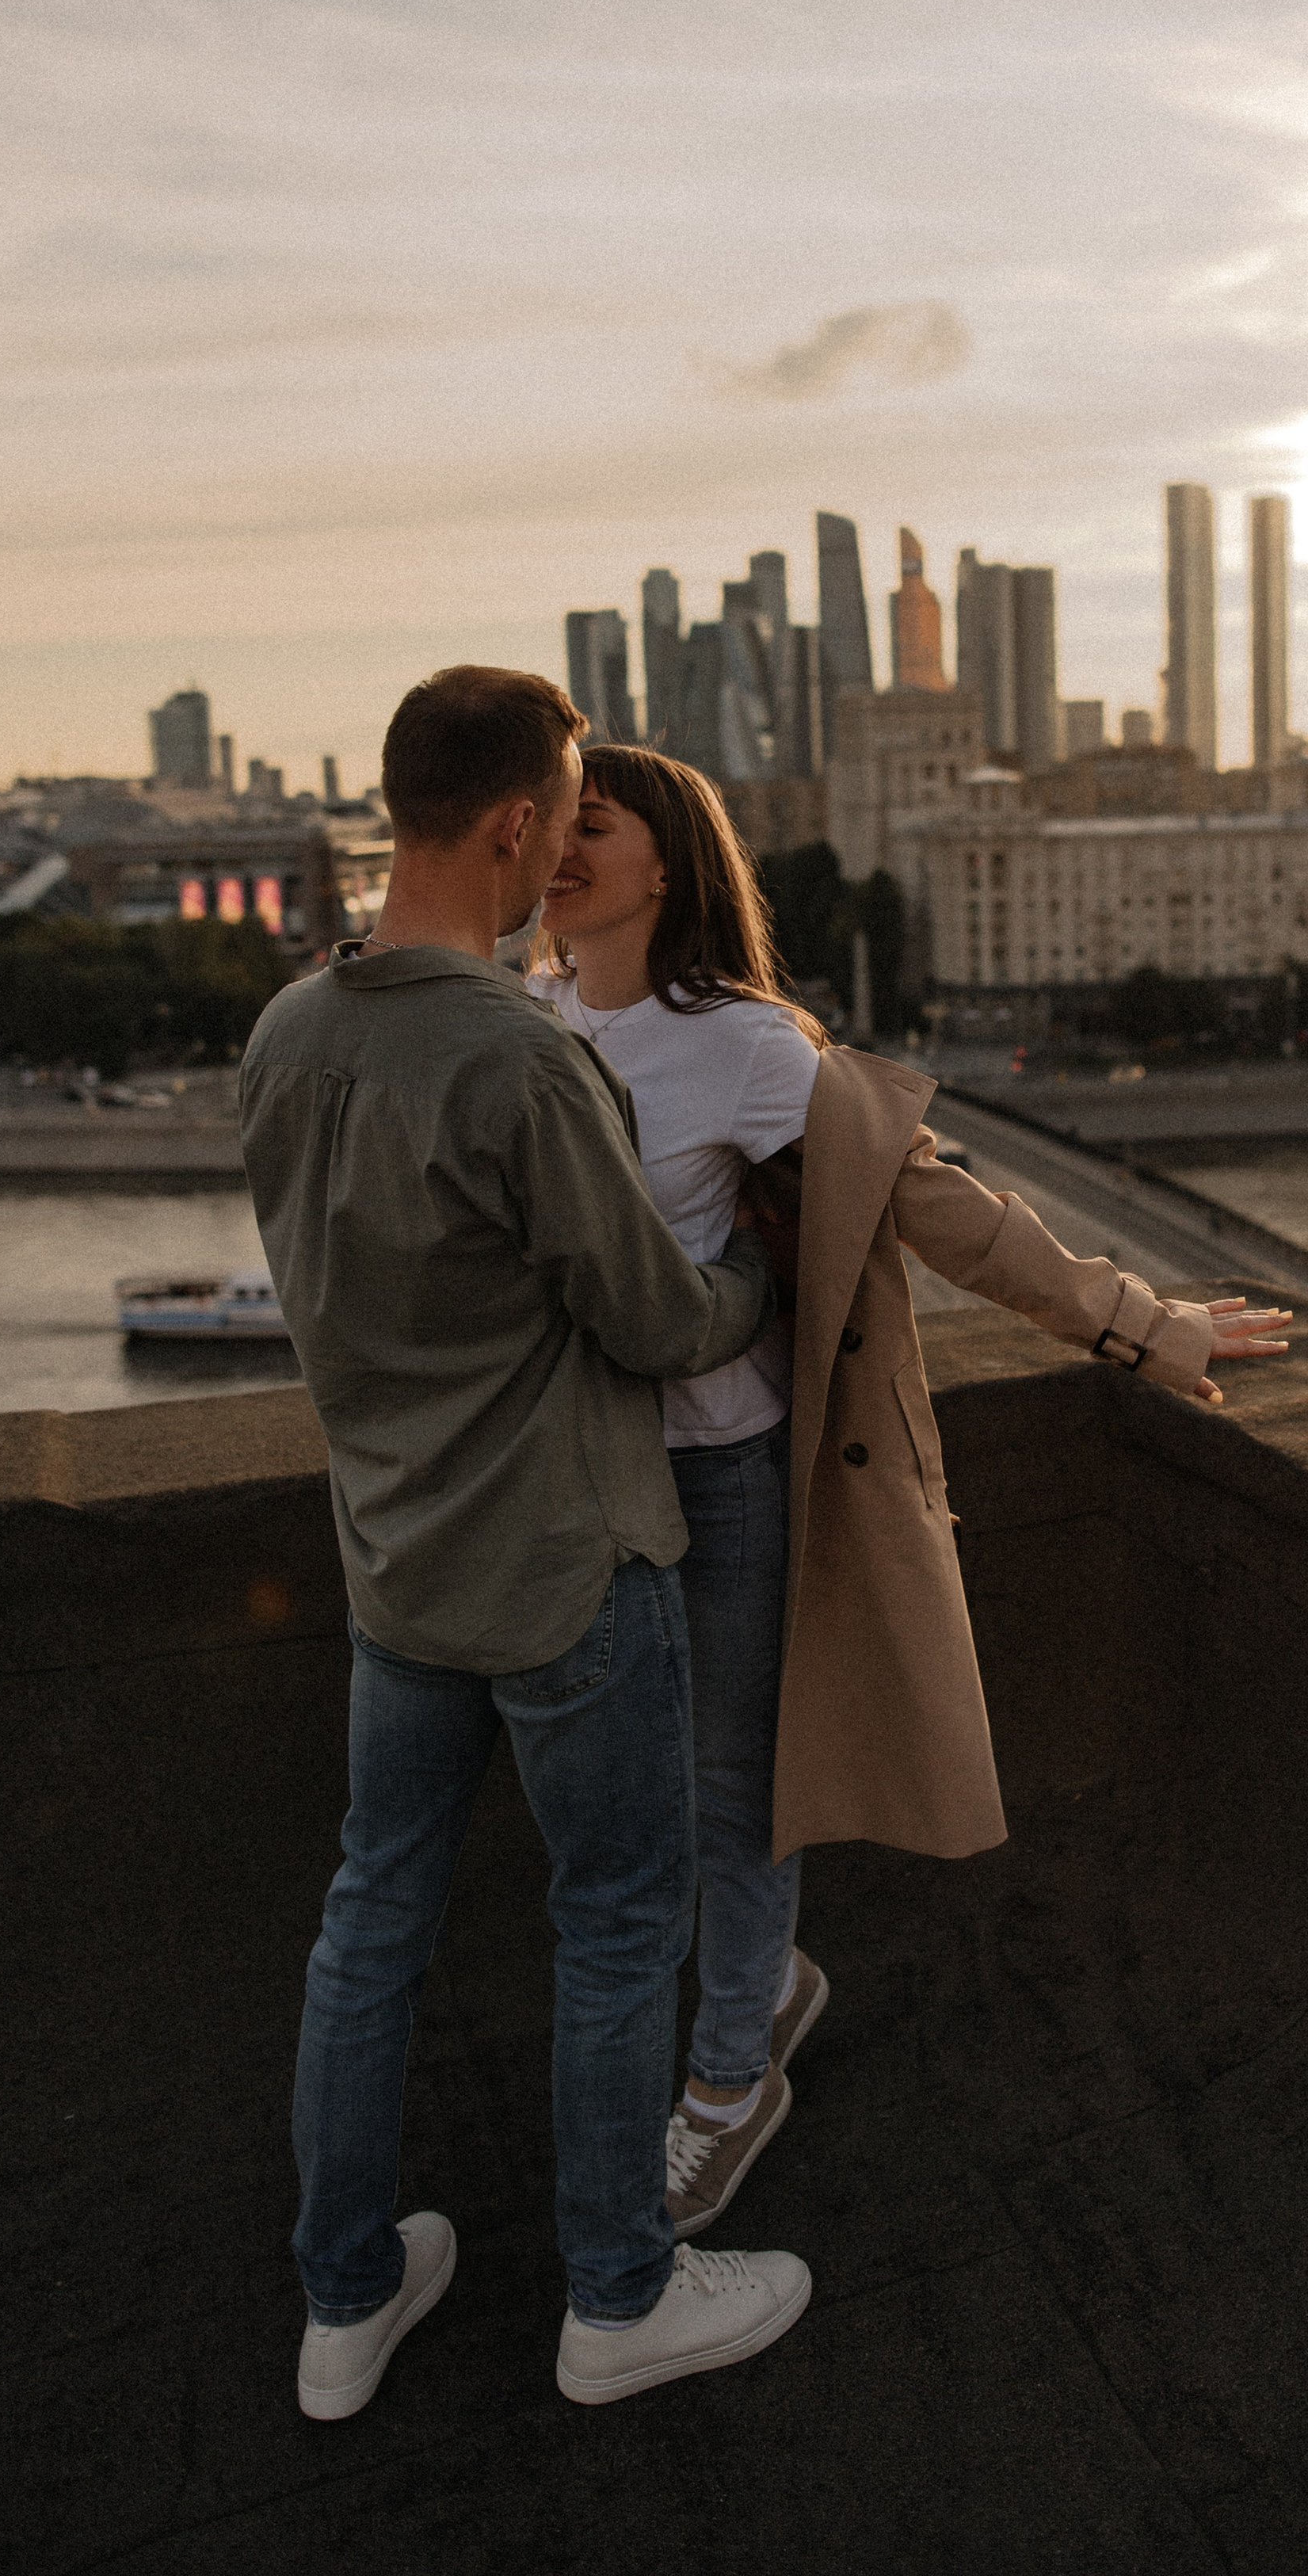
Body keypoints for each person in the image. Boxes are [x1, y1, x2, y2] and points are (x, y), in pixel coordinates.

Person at [528, 744, 1290, 2237]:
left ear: (666, 862)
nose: (558, 849)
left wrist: (1144, 1326)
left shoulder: (744, 1046)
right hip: (585, 1489)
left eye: (591, 827)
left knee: (742, 1793)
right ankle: (768, 1986)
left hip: (729, 1475)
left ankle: (732, 2080)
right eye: (548, 825)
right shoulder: (530, 1020)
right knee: (642, 1803)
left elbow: (939, 1203)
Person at [238, 666, 811, 2424]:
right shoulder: (518, 1053)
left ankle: (344, 2305)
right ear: (507, 825)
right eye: (564, 811)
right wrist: (763, 1276)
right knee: (622, 1925)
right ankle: (618, 2300)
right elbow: (654, 1320)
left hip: (393, 1570)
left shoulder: (287, 1034)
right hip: (568, 1570)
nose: (570, 839)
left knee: (369, 1923)